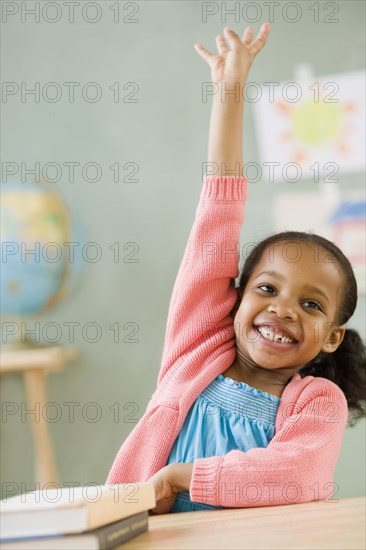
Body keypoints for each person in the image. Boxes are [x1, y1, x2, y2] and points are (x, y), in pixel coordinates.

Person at [106, 23, 366, 514]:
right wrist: (230, 92)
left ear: (332, 336)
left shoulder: (317, 402)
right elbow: (217, 217)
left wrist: (187, 477)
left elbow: (298, 474)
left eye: (311, 304)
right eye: (267, 288)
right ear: (238, 297)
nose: (283, 308)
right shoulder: (197, 345)